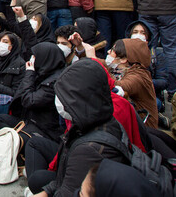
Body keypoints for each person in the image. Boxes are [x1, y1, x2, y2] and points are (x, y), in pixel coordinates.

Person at [29, 59, 127, 197]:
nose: (60, 101)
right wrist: (46, 192)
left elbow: (67, 191)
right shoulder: (94, 119)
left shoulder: (90, 149)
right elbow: (64, 180)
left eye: (65, 96)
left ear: (81, 97)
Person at [106, 38, 158, 128]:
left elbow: (119, 86)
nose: (108, 52)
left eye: (112, 50)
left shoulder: (139, 76)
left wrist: (95, 62)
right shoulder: (117, 70)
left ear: (124, 59)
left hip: (144, 131)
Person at [0, 30, 26, 114]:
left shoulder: (19, 64)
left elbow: (15, 92)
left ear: (12, 46)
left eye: (5, 42)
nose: (0, 44)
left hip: (5, 103)